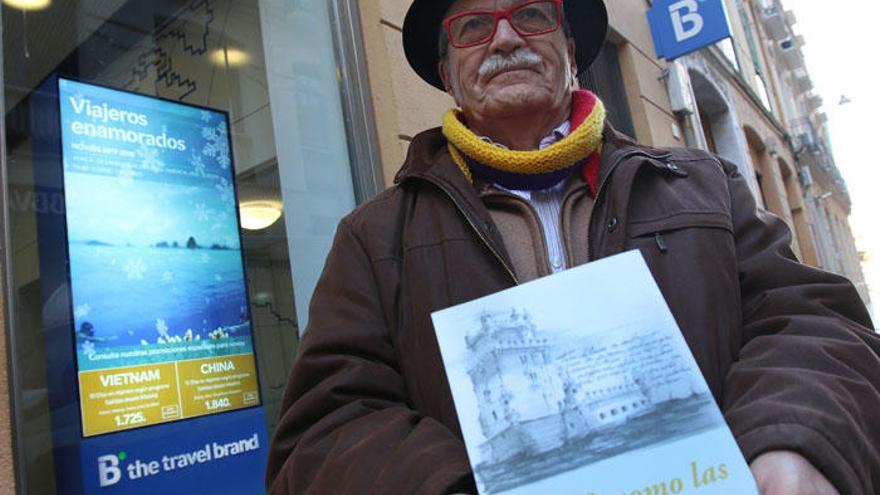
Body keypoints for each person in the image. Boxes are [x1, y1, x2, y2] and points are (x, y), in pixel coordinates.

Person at [265, 0, 880, 493]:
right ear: (448, 75)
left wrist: (793, 437)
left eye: (532, 15)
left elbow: (814, 322)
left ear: (571, 50)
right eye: (473, 26)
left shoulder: (704, 184)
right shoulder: (376, 237)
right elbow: (328, 425)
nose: (504, 39)